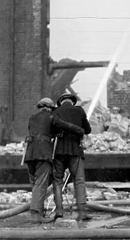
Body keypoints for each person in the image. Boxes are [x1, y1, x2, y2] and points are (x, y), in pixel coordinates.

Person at [24, 97, 85, 223]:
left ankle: (39, 211)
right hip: (43, 153)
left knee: (35, 183)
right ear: (50, 108)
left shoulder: (32, 118)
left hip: (29, 153)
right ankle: (36, 214)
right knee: (41, 183)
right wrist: (80, 130)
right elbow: (66, 126)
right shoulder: (51, 117)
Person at [52, 93, 92, 221]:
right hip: (76, 151)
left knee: (57, 181)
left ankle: (59, 212)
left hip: (58, 152)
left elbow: (51, 130)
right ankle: (82, 213)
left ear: (61, 102)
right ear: (72, 102)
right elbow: (88, 130)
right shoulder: (79, 111)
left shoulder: (56, 111)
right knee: (79, 181)